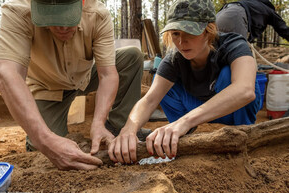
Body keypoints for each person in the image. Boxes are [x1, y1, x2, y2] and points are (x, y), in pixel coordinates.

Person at [0, 0, 148, 170]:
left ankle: (118, 131)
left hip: (85, 76)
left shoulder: (97, 13)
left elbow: (107, 74)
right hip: (46, 87)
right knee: (42, 153)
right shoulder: (17, 11)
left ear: (82, 3)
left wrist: (98, 122)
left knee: (132, 57)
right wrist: (45, 140)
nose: (62, 27)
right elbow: (8, 75)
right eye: (53, 18)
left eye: (68, 17)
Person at [108, 0, 262, 164]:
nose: (181, 42)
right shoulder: (173, 60)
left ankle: (242, 138)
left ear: (208, 31)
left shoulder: (233, 44)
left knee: (228, 74)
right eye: (175, 33)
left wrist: (184, 121)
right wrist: (129, 129)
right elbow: (149, 100)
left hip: (234, 112)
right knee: (162, 84)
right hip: (197, 108)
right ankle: (181, 138)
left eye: (190, 32)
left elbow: (245, 90)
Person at [216, 0, 289, 43]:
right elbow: (283, 29)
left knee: (215, 53)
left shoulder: (251, 4)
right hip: (235, 16)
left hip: (219, 15)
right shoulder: (268, 10)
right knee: (240, 58)